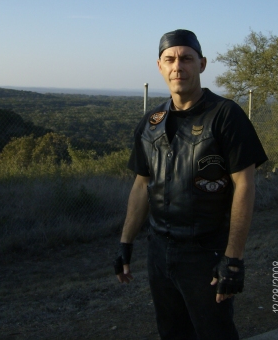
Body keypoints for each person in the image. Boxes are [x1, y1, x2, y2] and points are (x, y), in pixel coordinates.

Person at [114, 29, 268, 340]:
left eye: (186, 58)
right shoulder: (151, 122)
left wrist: (233, 258)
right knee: (172, 333)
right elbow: (142, 185)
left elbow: (245, 187)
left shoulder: (225, 116)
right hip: (159, 251)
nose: (177, 67)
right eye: (170, 59)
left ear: (202, 64)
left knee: (215, 333)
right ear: (160, 66)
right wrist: (125, 243)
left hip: (206, 252)